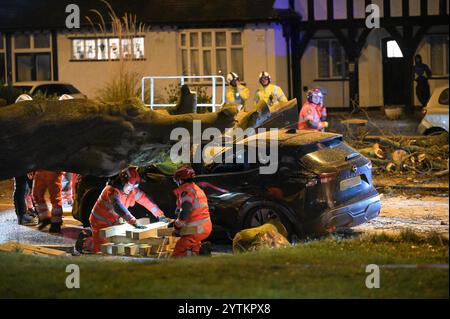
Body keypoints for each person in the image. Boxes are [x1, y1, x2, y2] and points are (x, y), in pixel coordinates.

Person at [75, 167, 167, 254]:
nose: (131, 188)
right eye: (130, 185)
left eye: (134, 186)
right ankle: (85, 241)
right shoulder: (112, 192)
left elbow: (145, 200)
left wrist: (160, 214)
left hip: (114, 222)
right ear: (123, 181)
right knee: (102, 249)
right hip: (100, 223)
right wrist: (133, 221)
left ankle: (90, 235)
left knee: (115, 245)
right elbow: (118, 207)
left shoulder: (132, 190)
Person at [171, 165, 212, 257]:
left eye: (176, 180)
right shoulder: (196, 188)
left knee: (179, 250)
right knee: (192, 247)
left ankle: (175, 268)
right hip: (204, 227)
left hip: (197, 229)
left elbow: (185, 211)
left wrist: (177, 226)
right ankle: (199, 253)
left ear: (180, 179)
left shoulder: (186, 190)